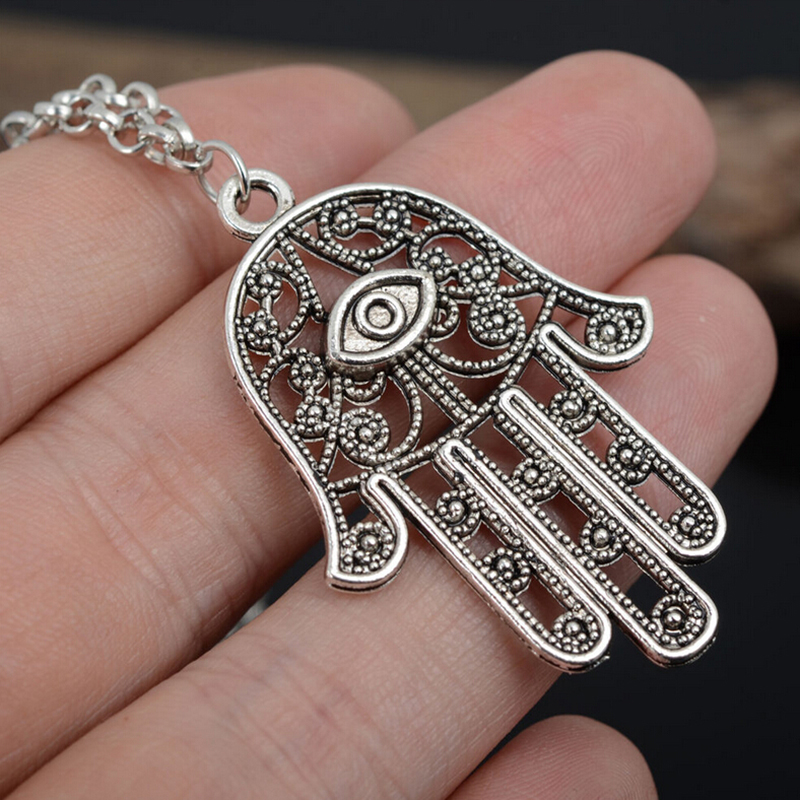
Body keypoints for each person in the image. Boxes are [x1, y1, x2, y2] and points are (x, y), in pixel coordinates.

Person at [0, 51, 775, 799]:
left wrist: (355, 511)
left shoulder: (347, 252)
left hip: (462, 417)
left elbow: (491, 280)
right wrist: (351, 504)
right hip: (426, 445)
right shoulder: (275, 309)